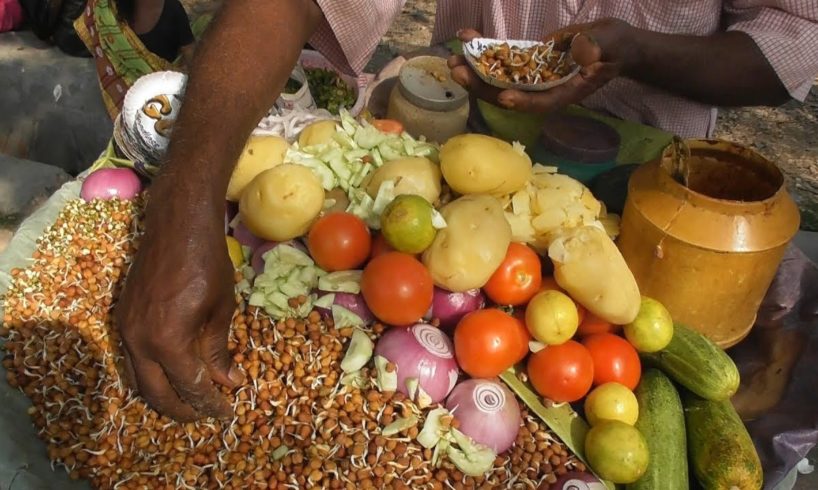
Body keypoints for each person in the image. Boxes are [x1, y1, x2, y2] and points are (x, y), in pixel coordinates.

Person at [114, 0, 818, 422]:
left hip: (658, 190)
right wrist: (185, 207)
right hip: (465, 146)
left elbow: (791, 43)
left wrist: (637, 53)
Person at [74, 0, 195, 120]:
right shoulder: (171, 7)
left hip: (128, 93)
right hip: (167, 90)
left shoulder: (104, 8)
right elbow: (191, 55)